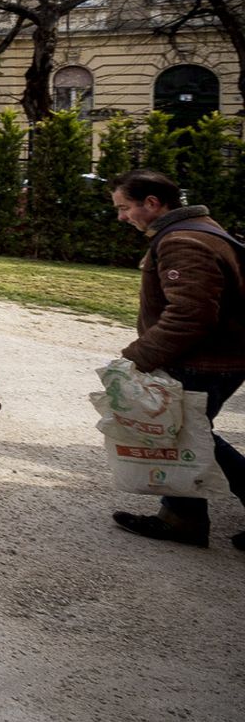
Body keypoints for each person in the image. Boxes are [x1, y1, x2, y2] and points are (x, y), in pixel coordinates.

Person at [107, 169, 245, 551]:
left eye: (124, 208)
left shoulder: (183, 241)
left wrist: (137, 358)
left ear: (152, 203)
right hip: (214, 357)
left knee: (190, 435)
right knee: (183, 434)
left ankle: (182, 518)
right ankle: (182, 516)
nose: (122, 217)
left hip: (203, 361)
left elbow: (191, 315)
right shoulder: (198, 228)